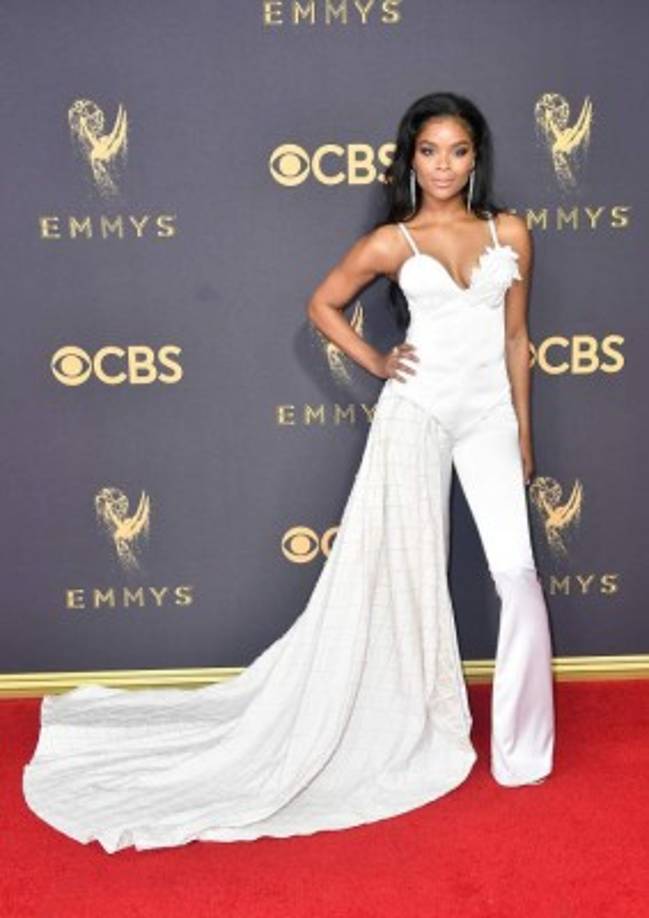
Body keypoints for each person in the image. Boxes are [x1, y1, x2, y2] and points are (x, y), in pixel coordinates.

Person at [22, 91, 554, 854]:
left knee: (518, 578)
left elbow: (516, 339)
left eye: (457, 150)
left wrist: (523, 432)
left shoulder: (511, 233)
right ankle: (395, 721)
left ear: (476, 157)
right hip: (416, 415)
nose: (443, 165)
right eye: (429, 150)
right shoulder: (388, 241)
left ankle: (522, 753)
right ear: (410, 158)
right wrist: (375, 359)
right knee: (399, 578)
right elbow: (322, 304)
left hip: (488, 420)